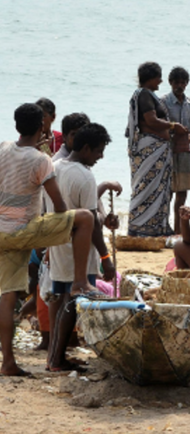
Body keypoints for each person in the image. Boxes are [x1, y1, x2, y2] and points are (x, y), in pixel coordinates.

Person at [0, 103, 97, 376]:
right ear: (43, 126)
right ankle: (79, 282)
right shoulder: (41, 159)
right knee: (85, 219)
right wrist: (61, 228)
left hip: (2, 234)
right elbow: (58, 203)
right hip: (25, 230)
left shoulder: (2, 148)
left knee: (7, 296)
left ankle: (8, 362)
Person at [47, 123, 121, 372]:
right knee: (73, 300)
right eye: (99, 151)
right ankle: (57, 360)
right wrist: (106, 258)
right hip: (78, 250)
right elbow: (92, 224)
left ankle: (54, 358)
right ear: (86, 148)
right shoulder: (85, 176)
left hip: (58, 245)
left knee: (65, 300)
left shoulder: (55, 167)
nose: (100, 157)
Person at [126, 62, 186, 237]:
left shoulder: (148, 95)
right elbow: (151, 120)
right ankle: (141, 227)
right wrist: (174, 126)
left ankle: (156, 227)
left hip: (158, 150)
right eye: (158, 77)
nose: (160, 81)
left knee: (157, 189)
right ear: (151, 78)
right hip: (150, 150)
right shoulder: (144, 94)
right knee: (146, 188)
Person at [162, 66, 190, 234]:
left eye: (182, 82)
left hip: (185, 151)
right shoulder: (163, 101)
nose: (179, 85)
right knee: (167, 192)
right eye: (176, 82)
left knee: (182, 191)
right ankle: (165, 227)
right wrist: (173, 132)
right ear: (170, 83)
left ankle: (179, 230)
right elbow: (160, 126)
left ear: (187, 83)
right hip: (168, 150)